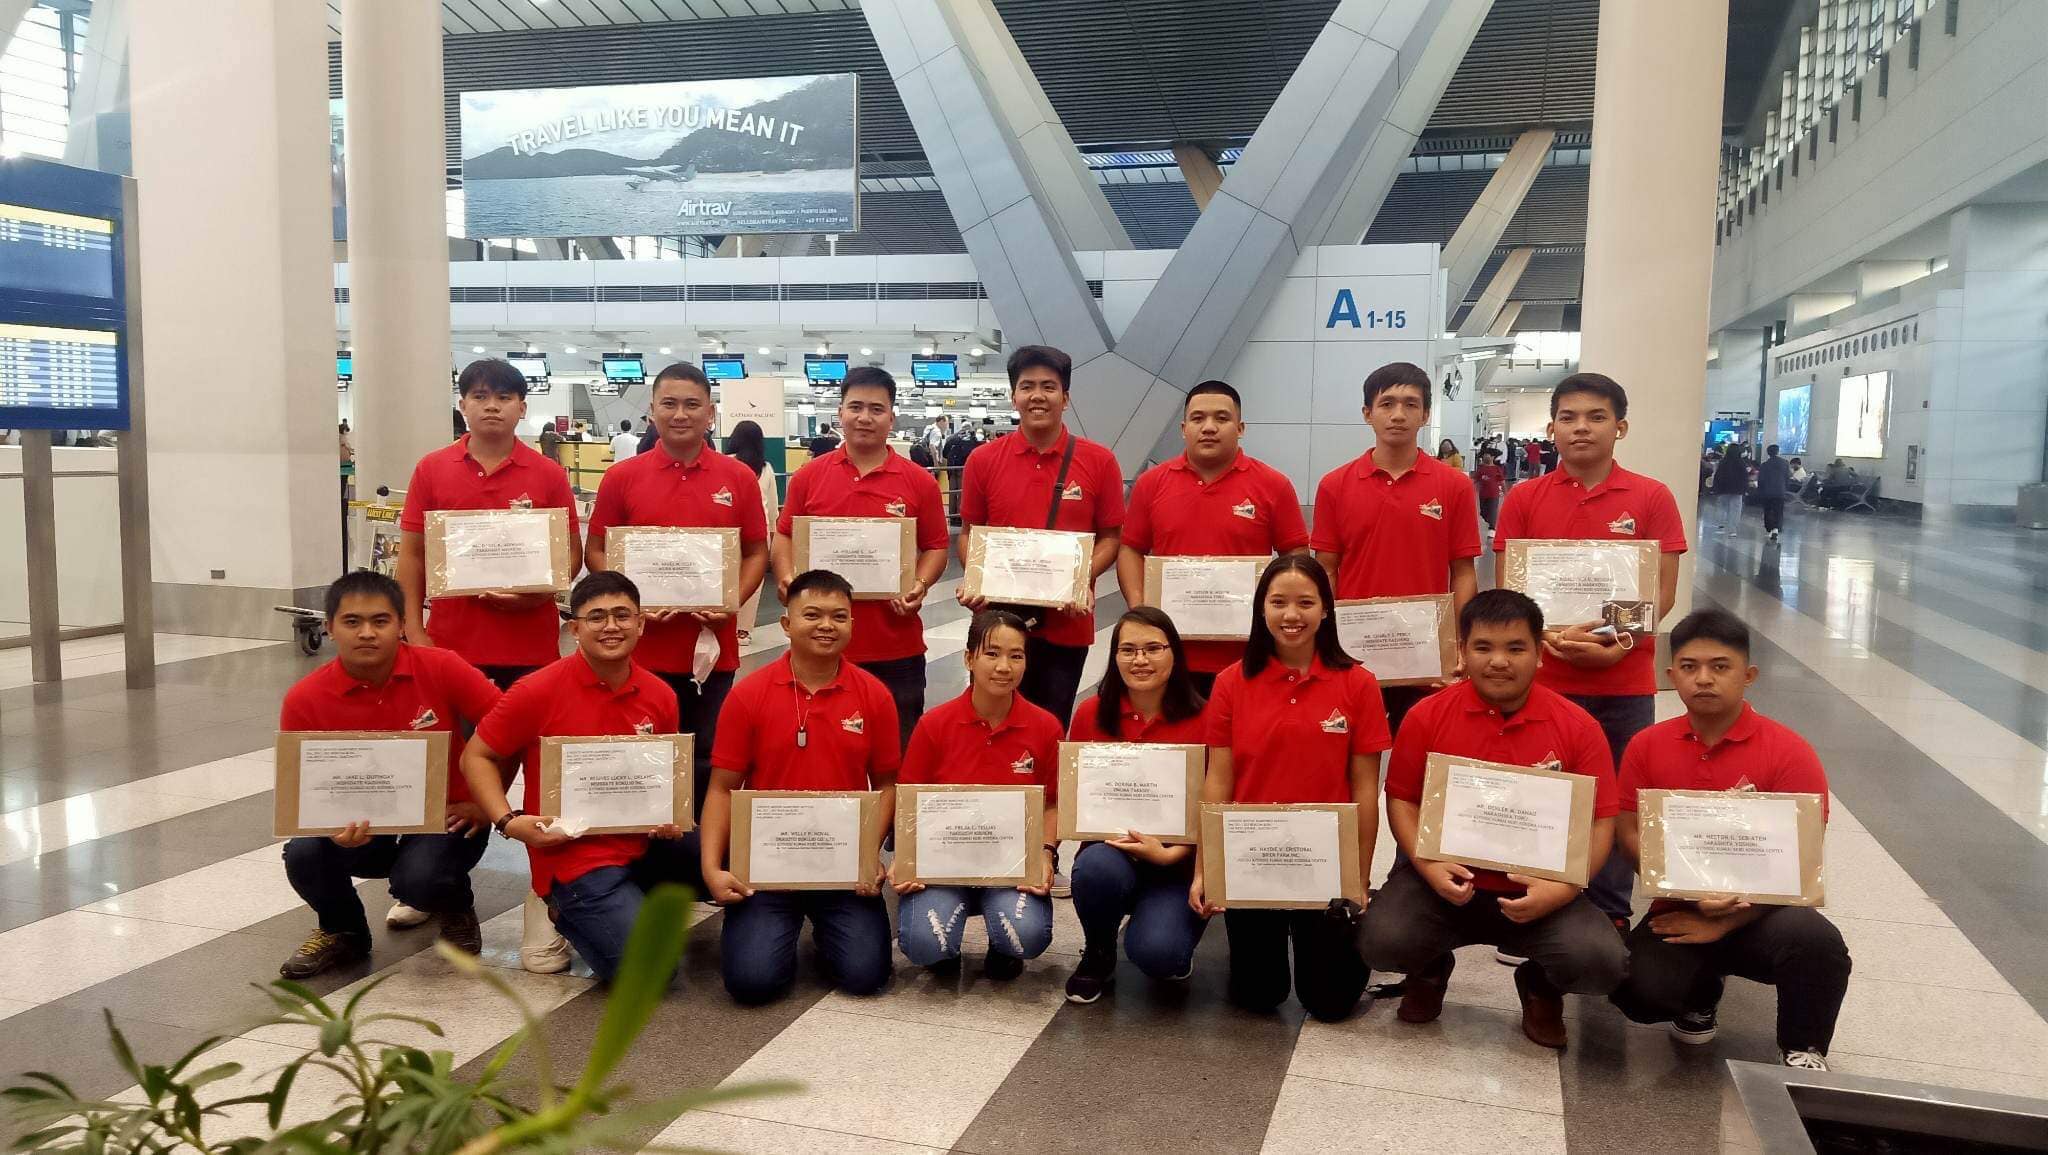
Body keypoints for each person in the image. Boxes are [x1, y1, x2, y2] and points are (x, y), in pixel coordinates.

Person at [1359, 589, 1629, 1049]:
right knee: (1381, 940)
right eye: (1483, 647)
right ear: (1463, 652)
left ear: (1539, 654)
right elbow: (1401, 799)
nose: (1499, 661)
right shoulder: (1426, 716)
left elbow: (1602, 820)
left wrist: (1564, 889)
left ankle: (1541, 987)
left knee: (1601, 962)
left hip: (1538, 889)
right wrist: (1427, 865)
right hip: (1442, 884)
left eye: (1515, 648)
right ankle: (1429, 970)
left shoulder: (1578, 727)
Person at [396, 357, 582, 974]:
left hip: (529, 656)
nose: (492, 406)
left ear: (523, 407)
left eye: (504, 396)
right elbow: (413, 553)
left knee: (537, 777)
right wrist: (415, 630)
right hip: (451, 652)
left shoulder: (547, 474)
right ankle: (433, 884)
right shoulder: (433, 469)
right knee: (450, 778)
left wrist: (531, 594)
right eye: (479, 396)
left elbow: (568, 558)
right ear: (463, 404)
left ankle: (542, 899)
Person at [1605, 609, 1851, 1070]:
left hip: (1767, 912)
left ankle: (1803, 1047)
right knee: (1637, 990)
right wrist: (1692, 894)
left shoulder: (1789, 751)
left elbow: (1802, 855)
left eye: (1720, 667)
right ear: (1671, 676)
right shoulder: (1647, 746)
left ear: (1748, 675)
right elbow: (1628, 833)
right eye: (1690, 667)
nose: (1704, 679)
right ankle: (1699, 997)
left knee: (1817, 944)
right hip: (1680, 906)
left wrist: (1727, 921)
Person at [1493, 372, 1687, 932]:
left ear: (1619, 427)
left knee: (1616, 798)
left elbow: (1662, 591)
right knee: (1540, 795)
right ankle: (1531, 906)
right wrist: (1547, 638)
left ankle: (1608, 911)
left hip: (1623, 682)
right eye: (1569, 417)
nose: (1582, 428)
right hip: (1544, 680)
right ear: (1551, 427)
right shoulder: (1524, 498)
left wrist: (1618, 643)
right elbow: (1511, 589)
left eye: (1596, 417)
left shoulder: (1651, 497)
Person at [585, 360, 771, 876]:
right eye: (669, 403)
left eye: (692, 404)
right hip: (636, 654)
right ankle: (638, 865)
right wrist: (628, 603)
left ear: (711, 413)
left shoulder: (737, 478)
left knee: (708, 758)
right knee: (639, 759)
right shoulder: (623, 477)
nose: (680, 414)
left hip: (710, 653)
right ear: (652, 410)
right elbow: (596, 549)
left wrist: (731, 598)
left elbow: (757, 551)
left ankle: (698, 864)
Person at [460, 571, 691, 984]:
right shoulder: (536, 690)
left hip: (641, 841)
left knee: (719, 856)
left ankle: (622, 906)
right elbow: (476, 756)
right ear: (575, 629)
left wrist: (671, 815)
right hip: (572, 852)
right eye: (596, 617)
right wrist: (508, 821)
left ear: (641, 623)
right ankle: (557, 907)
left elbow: (663, 775)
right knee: (654, 974)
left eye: (622, 615)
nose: (611, 626)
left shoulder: (660, 695)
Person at [1190, 555, 1388, 1022]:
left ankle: (1354, 935)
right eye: (1278, 602)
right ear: (1261, 608)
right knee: (1259, 996)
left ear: (1326, 609)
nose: (1291, 615)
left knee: (1330, 1003)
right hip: (1253, 857)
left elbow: (1365, 788)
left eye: (1305, 602)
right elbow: (1218, 779)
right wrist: (1206, 869)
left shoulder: (1359, 684)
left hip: (1324, 861)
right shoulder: (1230, 683)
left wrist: (1357, 880)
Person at [276, 572, 503, 978]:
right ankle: (343, 930)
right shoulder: (304, 699)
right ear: (329, 628)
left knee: (420, 880)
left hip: (448, 818)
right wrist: (329, 827)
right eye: (352, 622)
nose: (367, 633)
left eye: (380, 621)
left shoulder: (442, 667)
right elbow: (305, 789)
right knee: (303, 853)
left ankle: (454, 905)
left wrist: (486, 803)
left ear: (401, 625)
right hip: (360, 825)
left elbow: (509, 728)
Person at [700, 570, 902, 1004]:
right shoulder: (749, 694)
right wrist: (712, 868)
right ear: (786, 623)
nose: (826, 625)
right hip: (767, 869)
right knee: (752, 984)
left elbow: (888, 784)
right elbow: (721, 788)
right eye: (812, 615)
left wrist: (868, 853)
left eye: (839, 616)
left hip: (843, 868)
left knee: (866, 976)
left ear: (852, 624)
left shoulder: (874, 695)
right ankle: (777, 933)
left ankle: (826, 934)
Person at [773, 367, 949, 746]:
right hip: (819, 646)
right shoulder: (809, 477)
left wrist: (919, 585)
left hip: (896, 647)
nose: (864, 417)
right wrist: (787, 576)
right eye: (855, 407)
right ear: (840, 413)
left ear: (891, 417)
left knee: (897, 753)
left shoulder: (919, 481)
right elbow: (785, 533)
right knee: (821, 753)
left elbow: (937, 545)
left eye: (876, 409)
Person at [957, 344, 1125, 728]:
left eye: (1049, 387)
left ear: (1065, 398)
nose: (1037, 395)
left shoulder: (1099, 461)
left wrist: (1079, 578)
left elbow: (1111, 538)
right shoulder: (983, 460)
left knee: (1049, 724)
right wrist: (977, 576)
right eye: (1027, 386)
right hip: (997, 618)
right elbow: (968, 535)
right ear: (1013, 396)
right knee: (988, 718)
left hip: (1067, 624)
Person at [1311, 362, 1481, 734]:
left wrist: (1460, 642)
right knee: (1348, 755)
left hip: (1427, 655)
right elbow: (1326, 571)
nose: (1398, 414)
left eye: (1410, 404)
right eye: (1387, 404)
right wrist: (1323, 642)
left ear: (1425, 415)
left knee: (1419, 756)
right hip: (1355, 651)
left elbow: (1463, 572)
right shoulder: (1334, 485)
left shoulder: (1454, 486)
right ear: (1367, 413)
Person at [892, 610, 1063, 976]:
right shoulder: (934, 725)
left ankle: (1003, 947)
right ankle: (944, 949)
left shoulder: (1045, 727)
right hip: (943, 868)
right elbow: (909, 804)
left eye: (1016, 656)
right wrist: (906, 860)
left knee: (1024, 936)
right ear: (969, 658)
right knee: (926, 943)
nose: (1004, 667)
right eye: (992, 653)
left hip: (1011, 866)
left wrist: (1046, 853)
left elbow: (1052, 804)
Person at [1116, 380, 1309, 697]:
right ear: (1183, 429)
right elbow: (1131, 549)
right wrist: (1141, 610)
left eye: (1222, 418)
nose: (1209, 427)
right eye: (1198, 418)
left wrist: (1278, 611)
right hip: (1169, 653)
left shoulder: (1273, 485)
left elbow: (1296, 555)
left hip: (1248, 653)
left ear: (1240, 428)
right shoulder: (1151, 484)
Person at [1063, 607, 1211, 1004]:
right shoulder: (1090, 714)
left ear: (1174, 653)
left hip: (1177, 864)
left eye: (1153, 648)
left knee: (1160, 955)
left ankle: (1170, 936)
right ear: (1114, 656)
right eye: (1127, 649)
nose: (1140, 660)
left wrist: (1170, 854)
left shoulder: (1206, 719)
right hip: (1111, 853)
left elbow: (1214, 806)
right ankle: (1098, 952)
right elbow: (1076, 798)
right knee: (1095, 868)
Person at [725, 419, 779, 644]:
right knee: (753, 580)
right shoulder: (766, 468)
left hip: (728, 530)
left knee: (727, 578)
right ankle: (743, 630)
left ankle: (726, 621)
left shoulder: (725, 463)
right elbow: (773, 507)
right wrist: (773, 536)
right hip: (759, 530)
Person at [1754, 444, 1793, 541]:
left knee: (1767, 510)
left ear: (1768, 453)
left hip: (1767, 492)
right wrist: (1785, 488)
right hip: (1780, 491)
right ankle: (1776, 529)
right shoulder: (1785, 463)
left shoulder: (1764, 465)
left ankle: (1769, 528)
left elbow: (1761, 479)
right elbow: (1787, 477)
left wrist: (1759, 491)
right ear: (1778, 452)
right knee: (1778, 511)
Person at [1709, 443, 1750, 532]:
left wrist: (1715, 488)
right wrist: (1746, 489)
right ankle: (1732, 529)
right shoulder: (1741, 463)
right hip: (1737, 490)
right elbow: (1745, 477)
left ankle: (1721, 525)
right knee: (1735, 509)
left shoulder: (1723, 462)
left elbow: (1718, 476)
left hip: (1723, 489)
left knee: (1722, 506)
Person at [1475, 449, 1506, 529]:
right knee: (1483, 513)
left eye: (1487, 455)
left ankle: (1492, 527)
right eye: (1484, 455)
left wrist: (1505, 493)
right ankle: (1488, 522)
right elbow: (1476, 481)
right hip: (1483, 495)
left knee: (1493, 511)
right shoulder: (1481, 468)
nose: (1485, 456)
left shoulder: (1497, 468)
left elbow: (1502, 481)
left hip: (1494, 494)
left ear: (1492, 457)